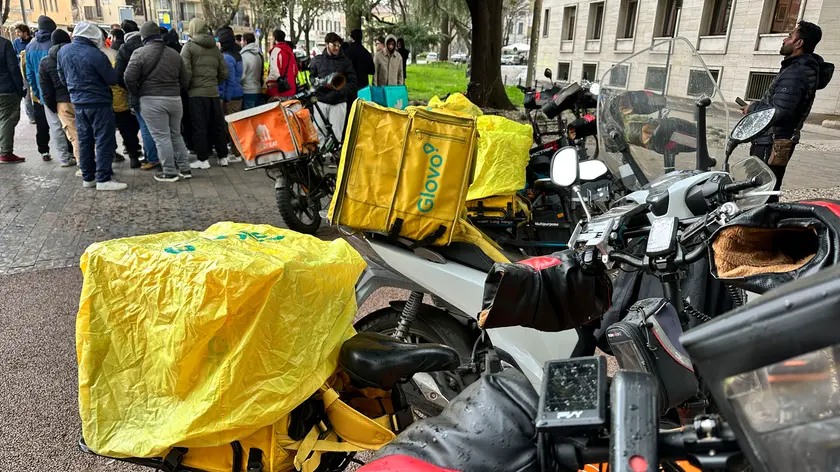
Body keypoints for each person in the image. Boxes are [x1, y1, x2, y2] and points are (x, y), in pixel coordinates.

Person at [745, 21, 834, 202]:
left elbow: (780, 112)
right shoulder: (797, 68)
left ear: (799, 43)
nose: (784, 39)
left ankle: (762, 228)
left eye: (790, 36)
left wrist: (752, 108)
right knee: (765, 190)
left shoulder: (796, 72)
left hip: (773, 142)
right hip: (774, 140)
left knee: (762, 194)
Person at [57, 22, 126, 191]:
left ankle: (88, 177)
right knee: (103, 139)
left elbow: (61, 77)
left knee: (85, 139)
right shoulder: (96, 54)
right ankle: (103, 178)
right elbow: (112, 79)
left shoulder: (63, 51)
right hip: (99, 102)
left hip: (78, 102)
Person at [124, 21, 191, 183]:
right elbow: (185, 78)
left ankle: (169, 172)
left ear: (144, 36)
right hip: (175, 99)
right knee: (176, 134)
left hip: (151, 100)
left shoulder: (139, 53)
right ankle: (185, 169)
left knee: (162, 138)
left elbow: (128, 77)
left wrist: (136, 92)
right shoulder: (175, 53)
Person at [181, 18, 230, 169]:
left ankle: (203, 159)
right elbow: (224, 72)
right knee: (218, 125)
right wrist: (214, 83)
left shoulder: (188, 48)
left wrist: (188, 87)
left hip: (196, 94)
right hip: (213, 93)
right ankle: (223, 157)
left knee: (199, 126)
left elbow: (186, 72)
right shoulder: (215, 49)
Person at [116, 20, 160, 170]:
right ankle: (165, 157)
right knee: (162, 128)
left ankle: (147, 157)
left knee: (144, 127)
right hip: (161, 93)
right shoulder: (161, 48)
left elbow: (121, 76)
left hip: (137, 95)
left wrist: (132, 90)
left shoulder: (125, 49)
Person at [100, 31, 142, 168]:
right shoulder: (114, 53)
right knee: (133, 127)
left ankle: (124, 154)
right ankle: (138, 153)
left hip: (110, 98)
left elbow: (116, 76)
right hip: (130, 96)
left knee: (117, 129)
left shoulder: (110, 54)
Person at [38, 29, 77, 167]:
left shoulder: (46, 61)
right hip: (80, 97)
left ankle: (68, 158)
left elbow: (45, 87)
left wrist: (50, 105)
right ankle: (91, 159)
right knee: (85, 130)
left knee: (64, 130)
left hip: (60, 101)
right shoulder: (75, 54)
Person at [309, 32, 357, 143]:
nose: (337, 48)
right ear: (326, 44)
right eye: (334, 45)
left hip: (339, 103)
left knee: (336, 134)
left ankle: (333, 157)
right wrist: (317, 83)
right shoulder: (317, 60)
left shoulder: (346, 62)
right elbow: (312, 77)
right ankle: (321, 157)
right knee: (319, 133)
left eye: (339, 45)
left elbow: (353, 83)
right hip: (320, 101)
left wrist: (340, 91)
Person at [25, 15, 61, 161]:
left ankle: (44, 150)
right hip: (57, 91)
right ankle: (68, 152)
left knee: (41, 123)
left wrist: (35, 90)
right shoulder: (55, 44)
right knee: (62, 122)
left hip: (39, 92)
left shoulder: (30, 46)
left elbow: (29, 72)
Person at [216, 26, 244, 162]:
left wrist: (225, 98)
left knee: (231, 126)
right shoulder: (237, 55)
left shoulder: (227, 58)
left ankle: (236, 153)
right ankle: (236, 151)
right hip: (238, 93)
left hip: (230, 96)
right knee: (235, 124)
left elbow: (229, 80)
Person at [0, 34, 25, 163]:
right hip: (5, 89)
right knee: (7, 120)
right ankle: (5, 152)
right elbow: (13, 69)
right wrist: (19, 89)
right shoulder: (4, 44)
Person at [13, 24, 35, 125]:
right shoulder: (16, 42)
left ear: (25, 33)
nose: (17, 34)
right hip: (23, 72)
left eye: (19, 32)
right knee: (27, 95)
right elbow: (13, 57)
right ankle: (31, 116)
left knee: (36, 92)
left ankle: (40, 113)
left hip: (34, 70)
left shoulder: (34, 41)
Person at [267, 29, 298, 99]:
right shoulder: (290, 51)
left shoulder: (276, 51)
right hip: (290, 89)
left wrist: (268, 83)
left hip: (279, 91)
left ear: (274, 38)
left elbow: (274, 71)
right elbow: (295, 71)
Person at [240, 32, 263, 110]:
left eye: (242, 41)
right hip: (258, 89)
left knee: (249, 119)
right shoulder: (258, 55)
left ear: (245, 42)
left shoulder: (244, 56)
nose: (241, 43)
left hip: (247, 91)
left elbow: (242, 75)